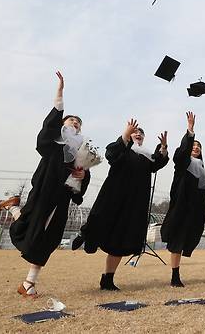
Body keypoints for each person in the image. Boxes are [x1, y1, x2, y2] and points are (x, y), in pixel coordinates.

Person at [0, 71, 91, 298]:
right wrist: (59, 95)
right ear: (64, 124)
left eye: (78, 122)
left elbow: (83, 178)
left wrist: (81, 175)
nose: (74, 123)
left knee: (44, 233)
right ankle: (28, 284)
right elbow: (49, 128)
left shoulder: (80, 151)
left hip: (62, 197)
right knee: (40, 234)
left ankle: (14, 207)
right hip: (46, 191)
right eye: (71, 120)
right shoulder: (55, 142)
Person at [72, 119, 169, 290]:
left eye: (141, 133)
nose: (138, 134)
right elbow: (111, 154)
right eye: (135, 132)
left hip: (134, 202)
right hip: (114, 195)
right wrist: (125, 135)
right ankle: (86, 234)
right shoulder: (123, 149)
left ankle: (107, 279)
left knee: (120, 240)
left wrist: (163, 148)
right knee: (101, 218)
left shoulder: (146, 156)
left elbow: (158, 163)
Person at [160, 112, 205, 287]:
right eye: (194, 146)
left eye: (199, 147)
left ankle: (176, 274)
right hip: (181, 206)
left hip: (193, 210)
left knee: (185, 240)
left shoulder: (202, 169)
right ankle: (175, 275)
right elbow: (181, 153)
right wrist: (190, 131)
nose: (196, 148)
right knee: (177, 241)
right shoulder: (183, 162)